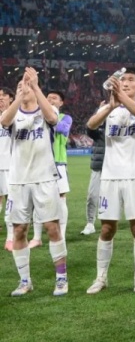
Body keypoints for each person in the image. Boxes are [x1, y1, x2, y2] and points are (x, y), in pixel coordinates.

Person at [86, 67, 135, 294]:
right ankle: (101, 278)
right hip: (110, 176)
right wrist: (110, 106)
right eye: (122, 79)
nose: (125, 82)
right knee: (106, 229)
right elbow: (91, 125)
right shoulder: (109, 108)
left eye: (131, 80)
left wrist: (120, 97)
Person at [1, 68, 68, 296]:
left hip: (44, 178)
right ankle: (25, 281)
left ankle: (61, 278)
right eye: (20, 86)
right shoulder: (12, 113)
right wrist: (20, 94)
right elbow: (4, 121)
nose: (24, 88)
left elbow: (53, 119)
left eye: (27, 85)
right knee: (19, 230)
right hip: (18, 181)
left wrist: (36, 87)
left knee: (52, 228)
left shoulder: (46, 109)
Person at [28, 90, 72, 248]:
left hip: (58, 163)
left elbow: (62, 130)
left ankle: (62, 235)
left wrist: (49, 113)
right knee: (37, 199)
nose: (50, 100)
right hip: (39, 163)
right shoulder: (38, 116)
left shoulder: (65, 118)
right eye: (48, 98)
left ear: (61, 103)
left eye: (54, 98)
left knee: (61, 198)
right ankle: (37, 237)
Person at [80, 101, 107, 237]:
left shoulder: (119, 131)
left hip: (116, 169)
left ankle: (108, 222)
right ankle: (90, 223)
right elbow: (89, 127)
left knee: (115, 198)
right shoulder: (98, 131)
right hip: (98, 167)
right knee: (92, 196)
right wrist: (99, 110)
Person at [0, 86, 15, 252]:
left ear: (11, 98)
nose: (0, 99)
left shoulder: (15, 116)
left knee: (11, 201)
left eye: (4, 96)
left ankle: (11, 237)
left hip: (10, 166)